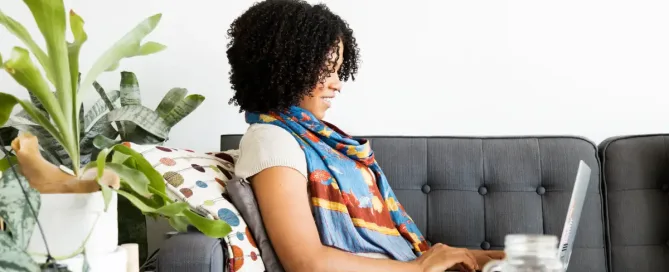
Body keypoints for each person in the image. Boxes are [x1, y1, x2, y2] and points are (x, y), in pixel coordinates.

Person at [227, 1, 505, 271]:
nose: (337, 84)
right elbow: (307, 263)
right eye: (327, 70)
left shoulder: (310, 138)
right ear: (284, 67)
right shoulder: (272, 140)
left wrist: (492, 258)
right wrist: (420, 268)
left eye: (338, 71)